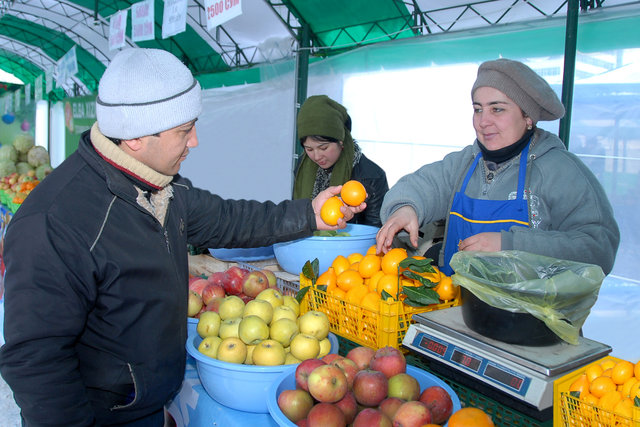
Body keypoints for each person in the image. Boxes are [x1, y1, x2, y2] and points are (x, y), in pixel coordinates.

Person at [0, 48, 364, 426]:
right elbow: (36, 361)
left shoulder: (160, 188)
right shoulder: (55, 221)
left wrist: (310, 214)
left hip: (148, 405)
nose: (194, 142)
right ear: (137, 137)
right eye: (183, 130)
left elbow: (230, 217)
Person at [376, 58, 620, 276]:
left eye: (497, 109)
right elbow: (420, 185)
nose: (483, 121)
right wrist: (405, 208)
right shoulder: (465, 163)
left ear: (528, 117)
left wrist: (510, 245)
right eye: (478, 109)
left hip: (532, 319)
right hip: (457, 310)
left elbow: (599, 248)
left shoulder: (562, 171)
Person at [292, 95, 389, 227]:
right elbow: (294, 214)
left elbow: (374, 231)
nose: (316, 156)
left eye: (323, 148)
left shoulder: (371, 176)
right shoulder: (303, 167)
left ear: (341, 141)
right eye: (309, 149)